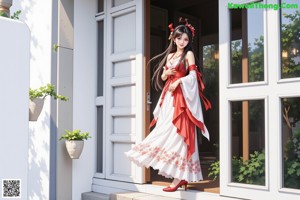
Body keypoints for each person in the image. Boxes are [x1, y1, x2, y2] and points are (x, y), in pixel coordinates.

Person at [126, 18, 211, 192]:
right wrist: (166, 74)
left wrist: (178, 82)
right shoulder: (171, 55)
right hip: (168, 98)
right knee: (164, 131)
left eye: (186, 40)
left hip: (181, 100)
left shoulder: (188, 55)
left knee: (178, 136)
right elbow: (164, 78)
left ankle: (178, 178)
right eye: (179, 38)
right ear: (173, 38)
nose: (182, 42)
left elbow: (194, 77)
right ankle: (178, 176)